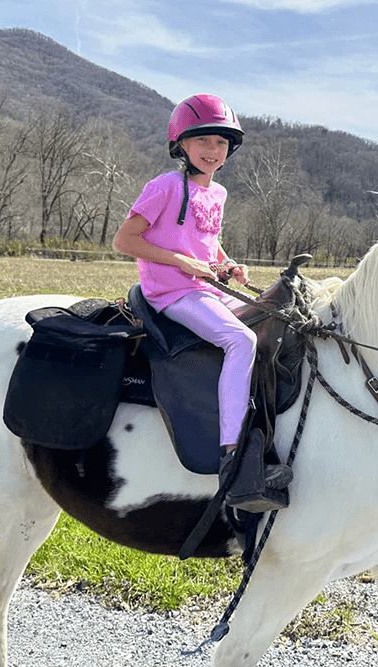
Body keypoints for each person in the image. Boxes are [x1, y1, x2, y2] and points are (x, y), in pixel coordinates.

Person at [113, 93, 292, 511]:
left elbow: (207, 243)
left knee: (272, 325)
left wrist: (228, 265)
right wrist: (182, 262)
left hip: (206, 288)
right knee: (240, 340)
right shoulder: (164, 186)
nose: (213, 150)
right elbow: (124, 240)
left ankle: (263, 433)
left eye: (221, 143)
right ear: (181, 144)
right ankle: (233, 456)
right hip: (171, 292)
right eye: (203, 141)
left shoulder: (219, 193)